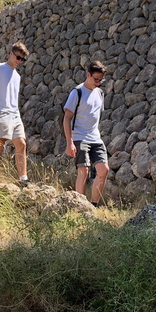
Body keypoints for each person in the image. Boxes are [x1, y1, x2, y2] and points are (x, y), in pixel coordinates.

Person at [0, 41, 30, 184]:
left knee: (21, 143)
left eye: (22, 59)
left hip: (15, 113)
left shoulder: (17, 76)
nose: (19, 61)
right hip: (0, 111)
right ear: (11, 54)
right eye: (18, 57)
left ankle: (23, 179)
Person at [63, 61, 109, 207]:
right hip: (79, 137)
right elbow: (67, 118)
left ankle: (93, 205)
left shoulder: (100, 93)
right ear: (88, 74)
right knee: (83, 171)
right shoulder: (77, 92)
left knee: (104, 169)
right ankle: (80, 206)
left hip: (95, 137)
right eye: (96, 79)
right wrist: (69, 142)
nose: (98, 83)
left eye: (101, 80)